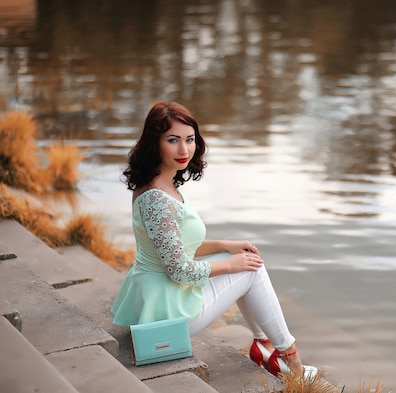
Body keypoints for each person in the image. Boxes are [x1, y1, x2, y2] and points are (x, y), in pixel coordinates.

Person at [111, 101, 316, 378]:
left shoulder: (160, 183)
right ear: (154, 143)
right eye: (173, 140)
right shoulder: (157, 198)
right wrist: (231, 264)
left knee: (246, 263)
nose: (184, 150)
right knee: (250, 270)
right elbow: (180, 269)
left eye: (189, 139)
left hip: (158, 298)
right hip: (166, 315)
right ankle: (293, 362)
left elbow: (176, 247)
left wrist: (224, 246)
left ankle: (265, 347)